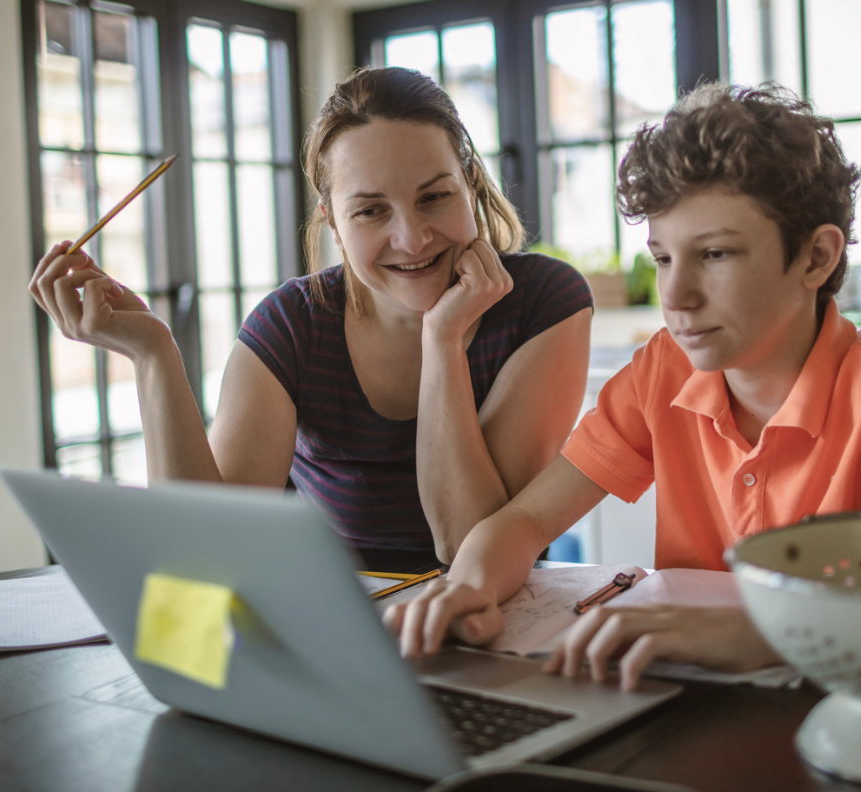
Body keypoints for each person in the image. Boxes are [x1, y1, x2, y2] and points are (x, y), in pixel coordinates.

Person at [386, 82, 861, 686]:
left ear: (816, 257)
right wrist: (470, 587)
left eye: (716, 254)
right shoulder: (660, 373)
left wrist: (773, 634)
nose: (679, 296)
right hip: (693, 710)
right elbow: (526, 523)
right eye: (663, 259)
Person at [29, 67, 593, 571]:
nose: (412, 237)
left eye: (434, 198)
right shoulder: (292, 326)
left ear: (469, 187)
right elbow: (203, 553)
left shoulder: (545, 303)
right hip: (336, 638)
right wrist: (152, 354)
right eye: (371, 210)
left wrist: (441, 339)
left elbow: (465, 544)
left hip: (500, 628)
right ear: (331, 220)